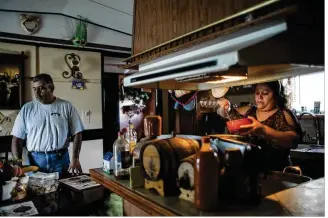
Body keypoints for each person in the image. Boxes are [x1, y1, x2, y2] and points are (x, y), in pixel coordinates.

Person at [216, 80, 302, 171]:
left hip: (276, 173)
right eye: (257, 93)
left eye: (265, 93)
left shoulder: (284, 114)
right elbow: (229, 112)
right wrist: (226, 107)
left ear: (277, 95)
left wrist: (263, 131)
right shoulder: (249, 111)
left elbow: (294, 141)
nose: (260, 96)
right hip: (250, 172)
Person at [11, 73, 84, 176]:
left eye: (42, 88)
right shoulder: (27, 109)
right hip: (35, 161)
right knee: (37, 190)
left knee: (63, 189)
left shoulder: (66, 106)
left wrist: (75, 158)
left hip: (60, 160)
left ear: (51, 88)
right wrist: (17, 162)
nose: (37, 93)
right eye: (34, 89)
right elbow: (17, 139)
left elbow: (77, 132)